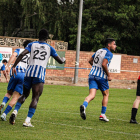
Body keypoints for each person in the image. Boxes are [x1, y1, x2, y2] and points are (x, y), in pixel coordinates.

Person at [9, 29, 66, 127]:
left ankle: (15, 112)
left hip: (29, 72)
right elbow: (60, 61)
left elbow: (22, 54)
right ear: (47, 37)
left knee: (24, 94)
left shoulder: (32, 44)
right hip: (39, 74)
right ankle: (27, 121)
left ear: (38, 36)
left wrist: (14, 66)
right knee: (35, 97)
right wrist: (63, 60)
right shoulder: (50, 48)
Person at [80, 38, 117, 122]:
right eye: (114, 44)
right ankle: (102, 115)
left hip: (92, 75)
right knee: (106, 94)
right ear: (109, 45)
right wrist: (109, 75)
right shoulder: (109, 53)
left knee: (92, 95)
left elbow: (90, 60)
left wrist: (95, 68)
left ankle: (84, 106)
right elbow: (104, 64)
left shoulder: (99, 50)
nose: (115, 46)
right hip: (101, 77)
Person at [0, 40, 32, 121]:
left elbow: (13, 55)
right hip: (24, 76)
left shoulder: (19, 50)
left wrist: (7, 66)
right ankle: (4, 114)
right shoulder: (32, 55)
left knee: (9, 92)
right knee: (15, 97)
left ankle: (3, 103)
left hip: (15, 72)